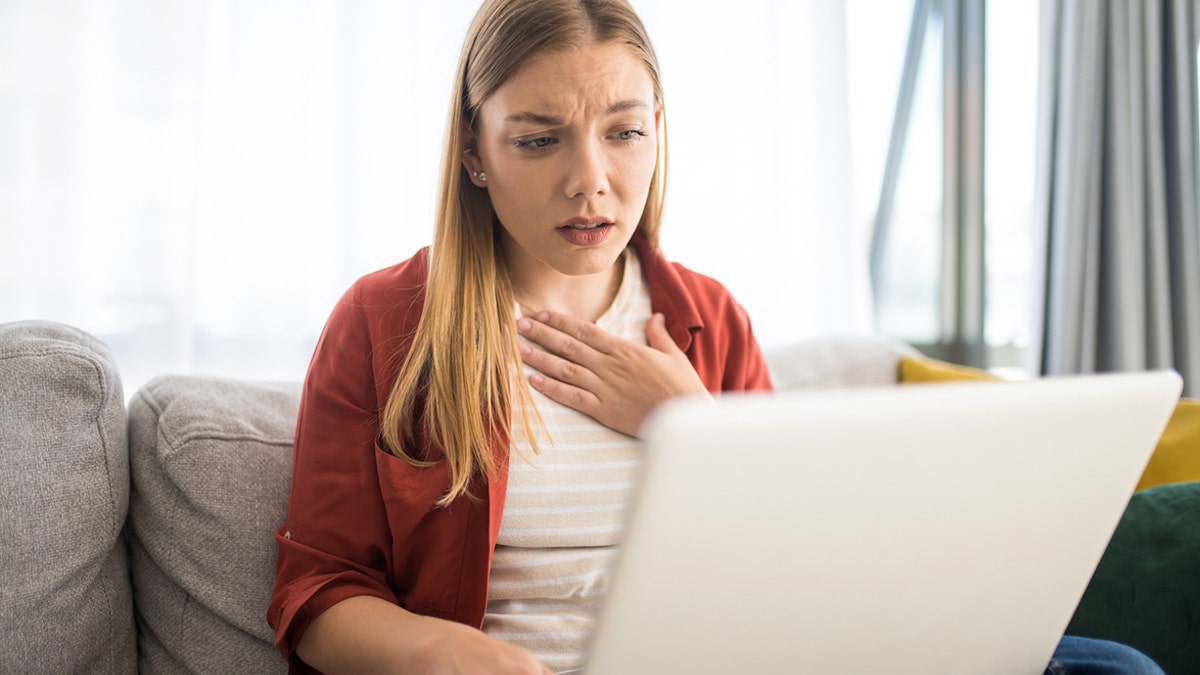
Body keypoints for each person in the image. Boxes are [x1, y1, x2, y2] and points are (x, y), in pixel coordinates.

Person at [268, 1, 1165, 673]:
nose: (593, 183)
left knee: (1110, 666)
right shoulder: (386, 326)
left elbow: (795, 567)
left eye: (624, 132)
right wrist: (440, 652)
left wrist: (693, 426)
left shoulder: (707, 318)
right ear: (474, 153)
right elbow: (315, 593)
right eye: (539, 142)